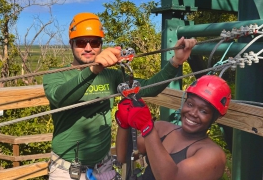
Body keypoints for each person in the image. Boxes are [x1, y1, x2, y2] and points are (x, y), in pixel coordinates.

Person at [42, 12, 197, 180]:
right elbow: (60, 98)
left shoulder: (111, 76)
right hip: (66, 169)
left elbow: (149, 89)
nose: (88, 48)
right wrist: (93, 70)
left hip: (103, 166)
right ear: (71, 44)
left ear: (101, 45)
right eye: (81, 42)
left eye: (94, 42)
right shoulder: (55, 75)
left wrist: (175, 62)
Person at [115, 75, 231, 180]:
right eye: (190, 104)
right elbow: (123, 157)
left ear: (215, 117)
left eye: (203, 111)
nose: (193, 113)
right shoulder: (162, 129)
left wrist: (147, 128)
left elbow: (171, 178)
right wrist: (124, 124)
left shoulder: (212, 155)